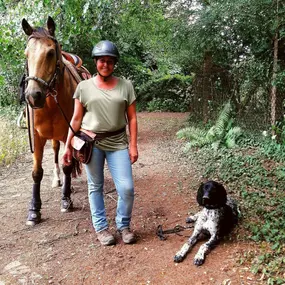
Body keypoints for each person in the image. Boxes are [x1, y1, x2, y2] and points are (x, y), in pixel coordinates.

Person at [62, 40, 138, 246]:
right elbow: (76, 119)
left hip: (118, 143)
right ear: (96, 62)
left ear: (115, 63)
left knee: (127, 188)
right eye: (102, 61)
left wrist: (133, 145)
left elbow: (132, 118)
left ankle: (123, 224)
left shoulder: (126, 86)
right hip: (91, 143)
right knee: (95, 186)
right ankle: (101, 228)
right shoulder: (83, 87)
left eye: (110, 61)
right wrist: (68, 145)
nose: (106, 64)